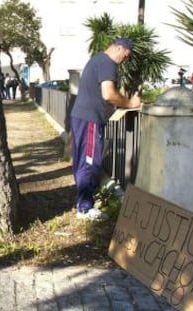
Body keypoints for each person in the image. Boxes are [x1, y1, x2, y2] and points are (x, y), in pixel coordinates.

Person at [70, 38, 142, 219]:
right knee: (89, 162)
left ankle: (83, 202)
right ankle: (85, 208)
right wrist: (130, 103)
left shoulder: (98, 60)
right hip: (90, 120)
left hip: (83, 117)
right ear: (119, 48)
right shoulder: (107, 63)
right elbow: (108, 94)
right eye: (126, 56)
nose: (125, 60)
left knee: (82, 161)